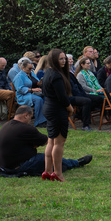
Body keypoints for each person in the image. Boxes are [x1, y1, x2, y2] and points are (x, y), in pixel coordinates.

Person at [0, 105, 92, 177]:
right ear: (26, 115)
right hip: (16, 166)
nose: (30, 120)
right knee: (48, 158)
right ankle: (75, 163)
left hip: (0, 164)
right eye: (30, 117)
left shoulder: (7, 125)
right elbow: (46, 141)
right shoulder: (26, 128)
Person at [40, 49, 74, 182]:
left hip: (48, 108)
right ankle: (58, 173)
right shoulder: (57, 76)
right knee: (59, 143)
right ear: (53, 60)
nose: (64, 61)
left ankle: (47, 171)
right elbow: (62, 98)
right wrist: (70, 109)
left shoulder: (48, 72)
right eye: (61, 59)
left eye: (64, 58)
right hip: (57, 109)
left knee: (51, 141)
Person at [12, 57, 46, 126]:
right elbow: (20, 89)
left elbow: (36, 81)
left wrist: (38, 83)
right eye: (29, 68)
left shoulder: (31, 73)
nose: (31, 70)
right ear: (23, 67)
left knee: (46, 97)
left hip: (32, 93)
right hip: (23, 96)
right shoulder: (19, 77)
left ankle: (44, 119)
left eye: (32, 68)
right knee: (38, 100)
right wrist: (32, 90)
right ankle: (39, 122)